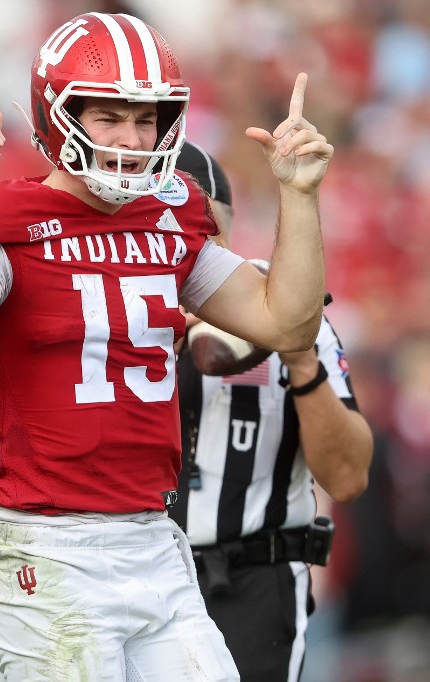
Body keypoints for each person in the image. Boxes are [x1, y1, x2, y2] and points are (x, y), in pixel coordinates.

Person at [0, 11, 334, 682]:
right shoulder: (6, 218)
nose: (133, 139)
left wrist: (298, 195)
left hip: (154, 536)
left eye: (147, 119)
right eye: (109, 117)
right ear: (57, 114)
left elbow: (287, 324)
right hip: (45, 543)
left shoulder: (171, 213)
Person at [169, 142, 373, 682]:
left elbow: (348, 477)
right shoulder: (99, 303)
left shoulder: (278, 301)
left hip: (253, 583)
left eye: (200, 227)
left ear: (226, 232)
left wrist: (300, 357)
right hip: (129, 572)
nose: (184, 245)